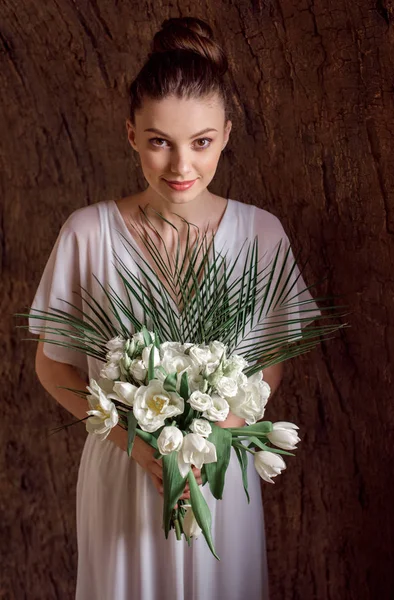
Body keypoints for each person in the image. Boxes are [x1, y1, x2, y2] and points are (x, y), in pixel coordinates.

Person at [29, 17, 321, 600]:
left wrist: (212, 442)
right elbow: (52, 367)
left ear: (228, 134)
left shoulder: (261, 234)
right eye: (160, 141)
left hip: (218, 476)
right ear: (131, 134)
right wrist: (136, 446)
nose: (181, 166)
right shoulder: (87, 234)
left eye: (202, 142)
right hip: (124, 474)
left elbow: (270, 362)